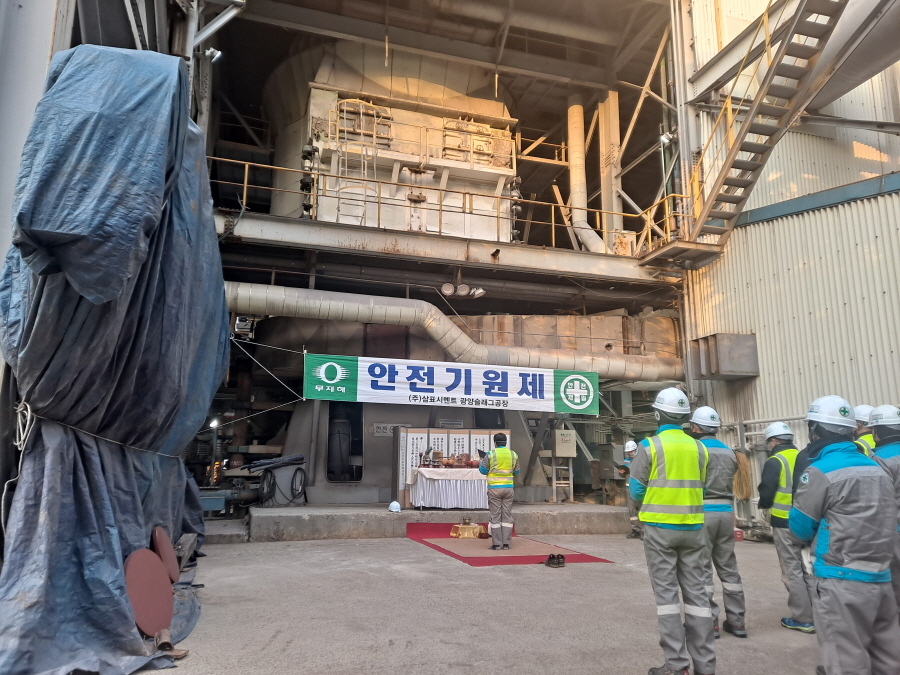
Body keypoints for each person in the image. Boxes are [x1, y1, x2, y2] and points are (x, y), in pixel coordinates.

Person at [790, 395, 900, 675]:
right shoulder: (876, 467)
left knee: (846, 662)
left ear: (814, 430)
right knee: (887, 661)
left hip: (841, 579)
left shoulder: (819, 471)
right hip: (881, 578)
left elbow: (800, 528)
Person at [630, 388, 715, 675]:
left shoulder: (649, 446)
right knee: (698, 597)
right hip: (693, 528)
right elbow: (702, 485)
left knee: (667, 599)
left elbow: (636, 489)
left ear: (657, 415)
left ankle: (677, 665)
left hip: (659, 530)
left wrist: (654, 503)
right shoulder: (700, 448)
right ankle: (706, 666)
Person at [690, 406, 746, 639]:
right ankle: (737, 621)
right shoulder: (729, 453)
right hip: (726, 512)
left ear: (695, 427)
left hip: (703, 512)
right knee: (729, 568)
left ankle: (709, 622)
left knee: (702, 569)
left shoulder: (696, 449)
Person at [756, 421, 815, 634]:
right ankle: (818, 613)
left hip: (784, 522)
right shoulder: (803, 456)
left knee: (792, 569)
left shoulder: (775, 460)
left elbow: (767, 491)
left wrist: (764, 506)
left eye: (769, 442)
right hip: (806, 520)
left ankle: (803, 618)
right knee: (808, 567)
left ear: (774, 441)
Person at [871, 405, 900, 613]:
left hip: (894, 531)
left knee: (895, 582)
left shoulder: (879, 459)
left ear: (877, 431)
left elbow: (876, 500)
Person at [479, 432, 519, 550]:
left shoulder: (490, 455)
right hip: (509, 488)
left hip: (494, 489)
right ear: (506, 442)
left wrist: (481, 463)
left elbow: (483, 471)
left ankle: (497, 544)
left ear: (495, 443)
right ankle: (506, 544)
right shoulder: (513, 454)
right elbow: (517, 471)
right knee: (507, 515)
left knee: (495, 516)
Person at [621, 440, 643, 539]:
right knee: (632, 511)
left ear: (635, 450)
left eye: (631, 451)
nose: (629, 453)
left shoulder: (641, 460)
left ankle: (644, 531)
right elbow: (623, 475)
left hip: (639, 488)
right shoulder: (626, 460)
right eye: (628, 452)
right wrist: (621, 472)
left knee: (641, 509)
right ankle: (636, 530)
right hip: (629, 488)